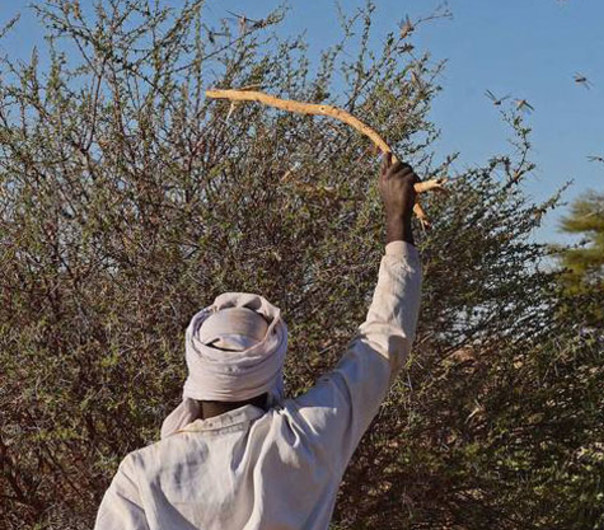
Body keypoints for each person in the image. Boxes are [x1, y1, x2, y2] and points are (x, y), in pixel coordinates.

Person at [94, 155, 424, 529]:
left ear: (197, 369)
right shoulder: (307, 435)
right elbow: (382, 344)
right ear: (268, 367)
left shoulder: (142, 475)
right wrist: (398, 223)